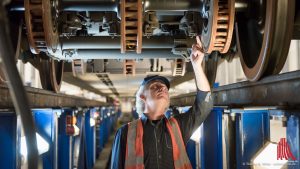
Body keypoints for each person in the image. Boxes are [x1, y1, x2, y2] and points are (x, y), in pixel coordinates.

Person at [110, 36, 213, 169]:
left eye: (164, 88)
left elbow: (205, 104)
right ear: (142, 96)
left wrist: (197, 66)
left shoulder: (179, 127)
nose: (162, 88)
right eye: (154, 87)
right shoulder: (125, 133)